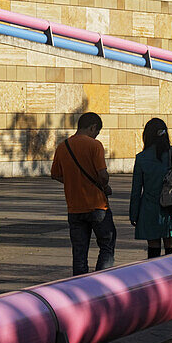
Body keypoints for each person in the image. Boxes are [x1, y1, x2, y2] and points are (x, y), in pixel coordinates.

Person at [51, 111, 117, 274]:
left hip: (74, 207)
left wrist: (74, 181)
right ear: (93, 127)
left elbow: (55, 174)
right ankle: (101, 283)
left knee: (79, 254)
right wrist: (105, 184)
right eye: (97, 132)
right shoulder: (95, 145)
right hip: (97, 206)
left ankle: (79, 288)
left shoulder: (62, 146)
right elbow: (102, 175)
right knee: (107, 245)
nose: (96, 136)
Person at [129, 117, 172, 258]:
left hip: (149, 211)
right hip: (171, 208)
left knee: (153, 255)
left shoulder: (141, 158)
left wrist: (134, 214)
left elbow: (136, 190)